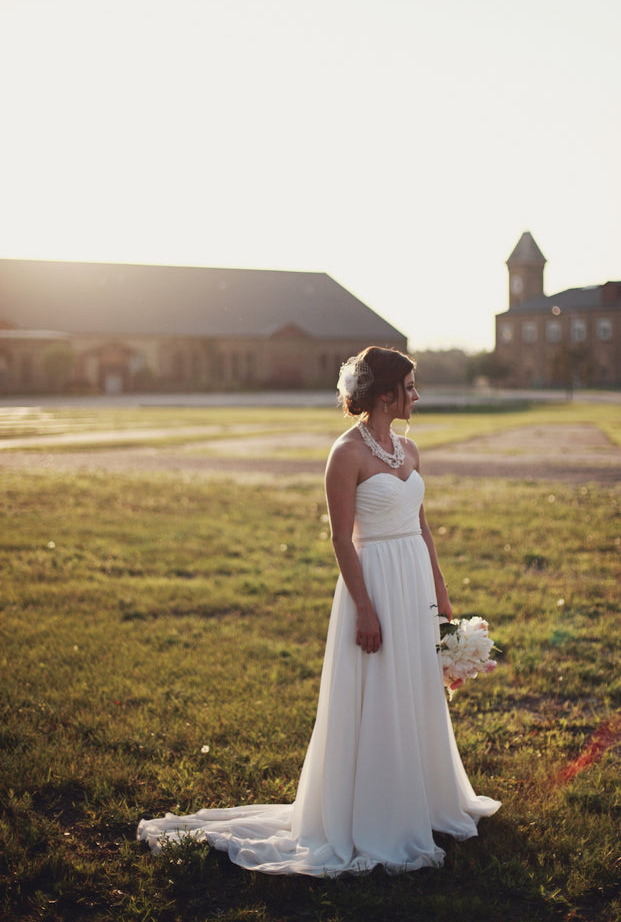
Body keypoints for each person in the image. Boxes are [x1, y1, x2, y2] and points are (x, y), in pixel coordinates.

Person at [137, 346, 500, 874]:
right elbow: (341, 539)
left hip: (414, 580)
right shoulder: (345, 453)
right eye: (411, 387)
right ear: (383, 394)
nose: (417, 396)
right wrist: (365, 609)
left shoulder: (412, 450)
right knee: (376, 689)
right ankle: (373, 813)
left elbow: (422, 525)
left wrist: (440, 589)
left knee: (415, 686)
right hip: (373, 580)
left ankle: (424, 798)